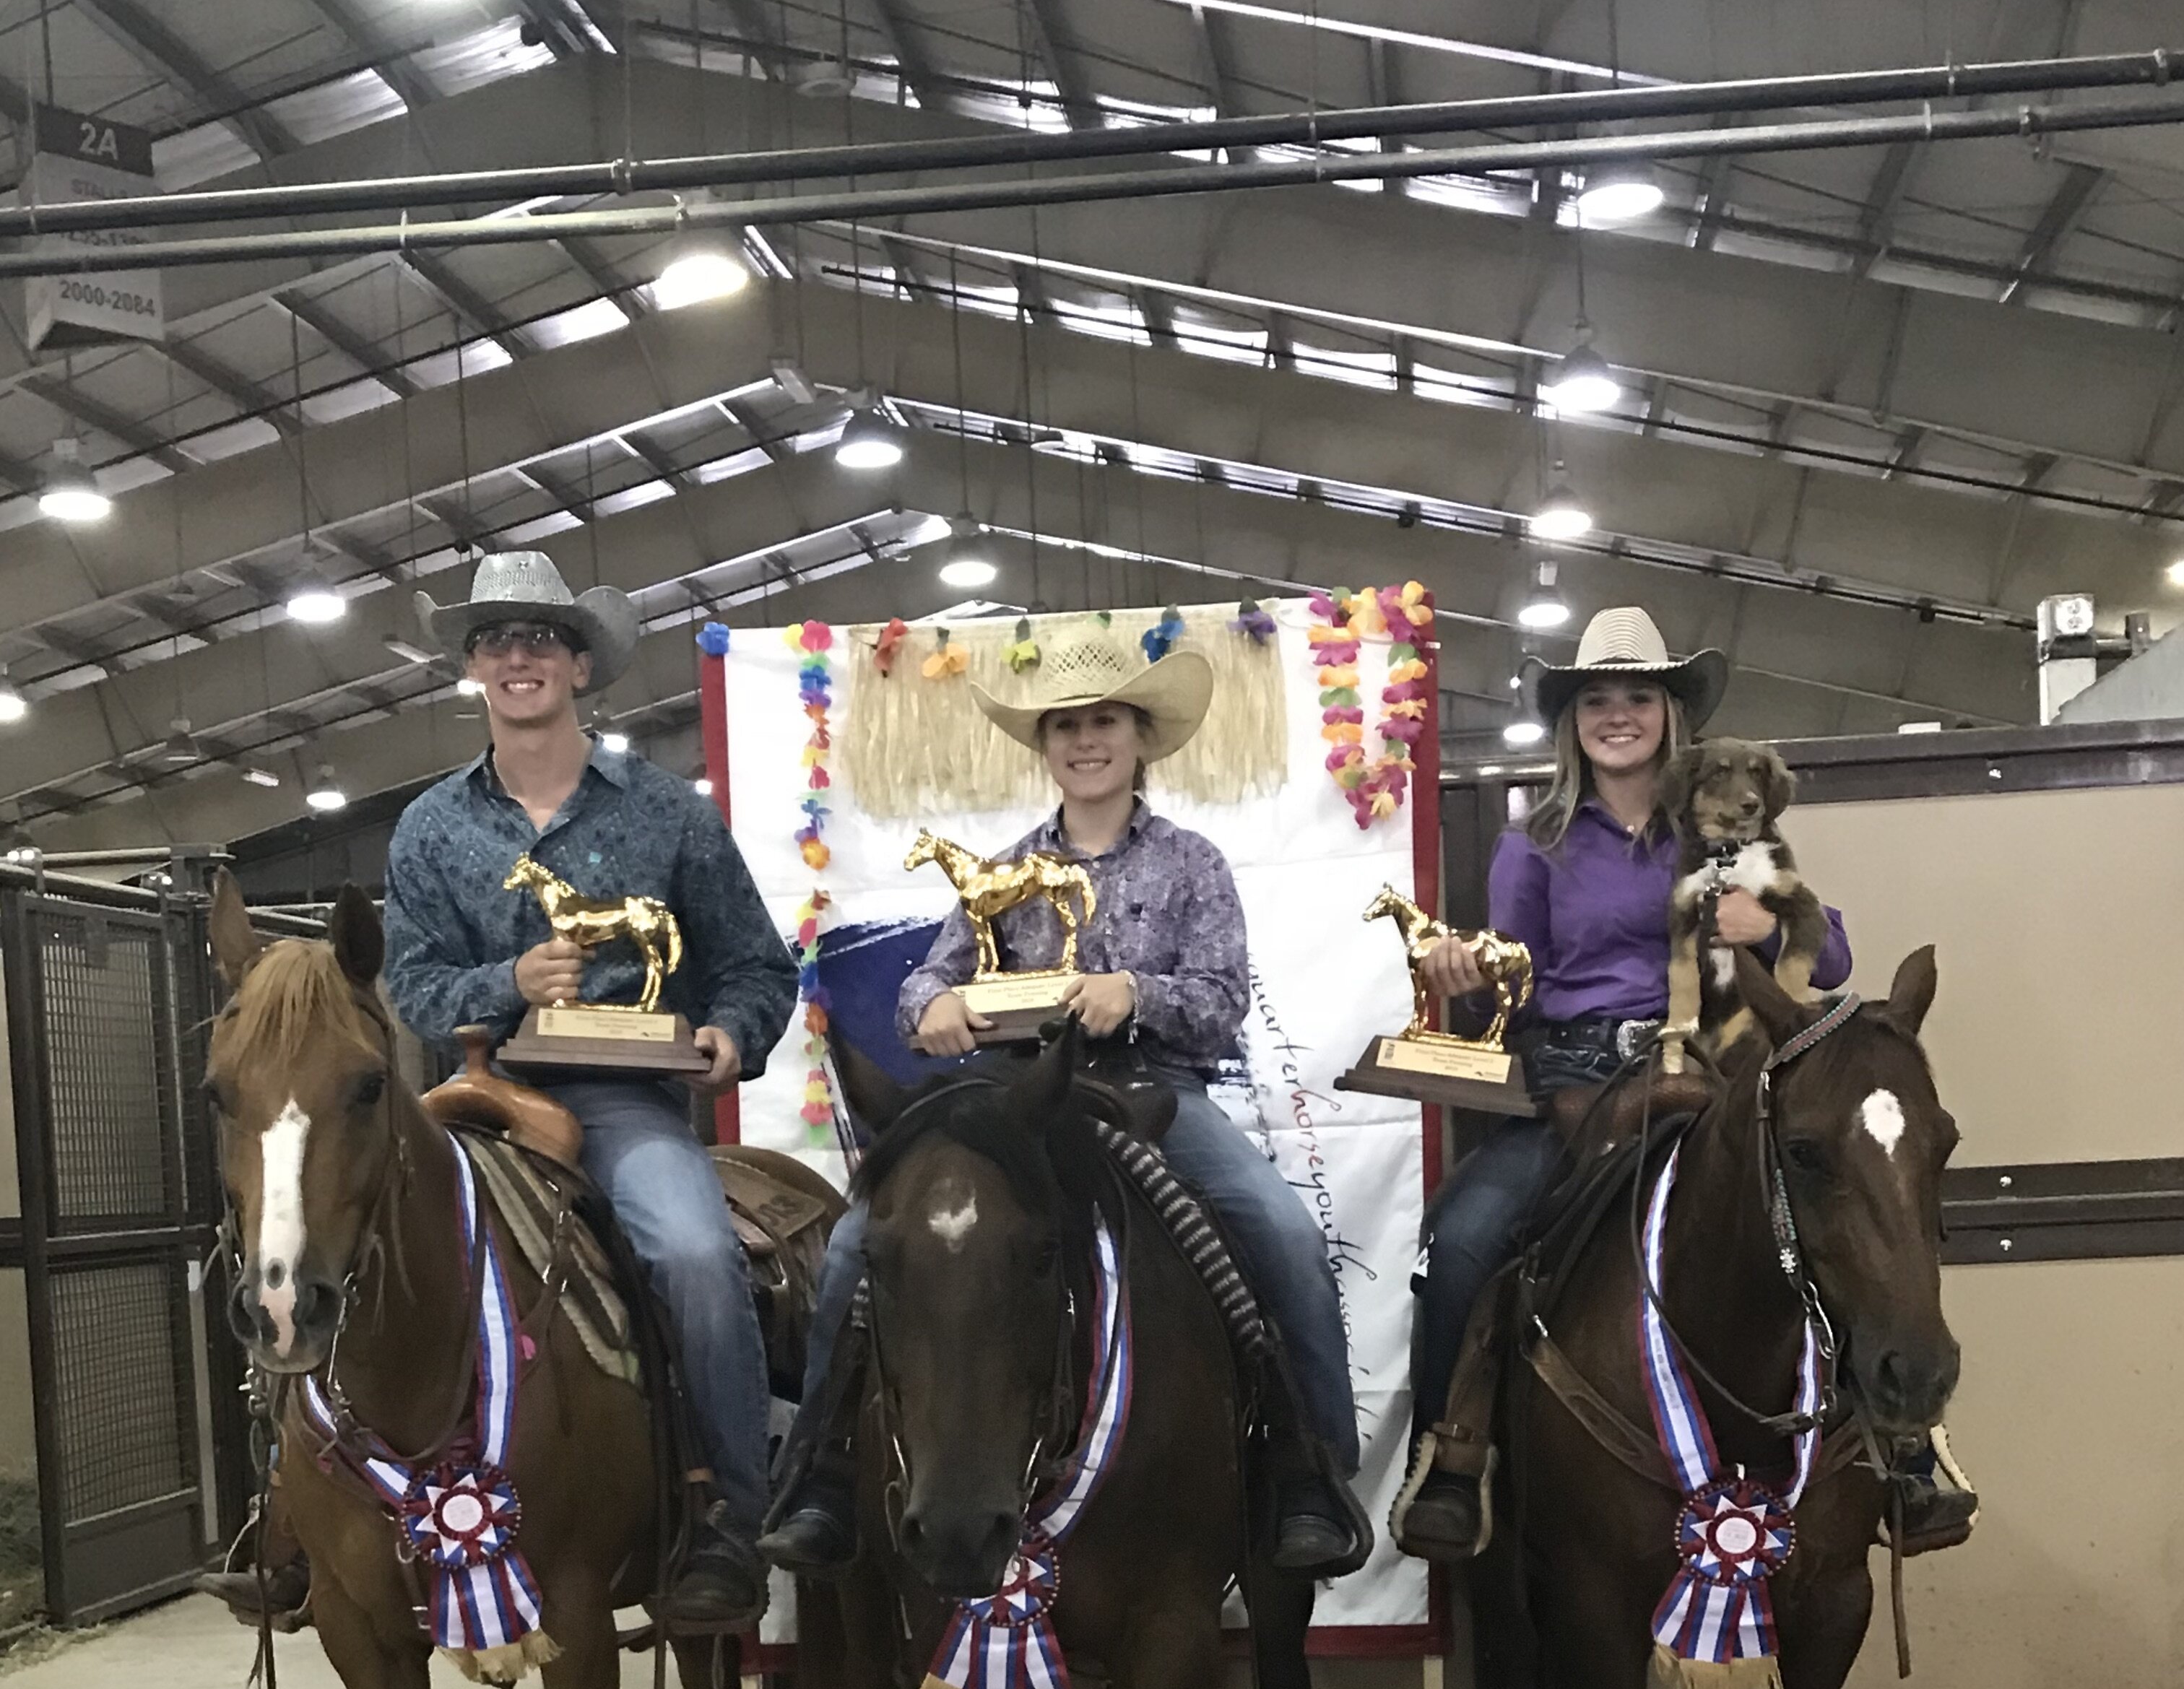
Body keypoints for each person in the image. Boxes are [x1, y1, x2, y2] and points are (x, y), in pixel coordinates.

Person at [762, 622, 1364, 1579]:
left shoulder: (1192, 865)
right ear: (1045, 747)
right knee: (853, 1246)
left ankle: (1312, 1468)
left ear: (1139, 738)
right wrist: (941, 1005)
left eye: (1105, 722)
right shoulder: (1000, 871)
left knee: (1279, 1231)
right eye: (1066, 726)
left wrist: (1139, 994)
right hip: (1013, 1100)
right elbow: (926, 986)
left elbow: (1220, 1003)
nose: (1086, 741)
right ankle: (824, 1472)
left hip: (1153, 1091)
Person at [1395, 603, 1973, 1565]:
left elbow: (1830, 954)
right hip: (1581, 1079)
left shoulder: (1723, 818)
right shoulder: (1532, 842)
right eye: (1596, 701)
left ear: (1670, 714)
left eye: (1636, 697)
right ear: (1571, 720)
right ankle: (1452, 1457)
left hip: (1718, 1069)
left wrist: (1764, 926)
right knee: (1459, 1240)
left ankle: (1906, 1450)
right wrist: (1463, 971)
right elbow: (1518, 980)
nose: (1616, 715)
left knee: (1841, 1200)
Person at [381, 550, 797, 1628]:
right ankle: (307, 1523)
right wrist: (505, 982)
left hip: (621, 1100)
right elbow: (416, 985)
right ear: (473, 668)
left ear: (576, 664)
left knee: (698, 1254)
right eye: (494, 641)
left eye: (539, 639)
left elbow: (755, 964)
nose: (517, 657)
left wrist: (728, 1035)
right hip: (475, 1098)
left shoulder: (666, 815)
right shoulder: (429, 827)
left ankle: (730, 1526)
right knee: (334, 1247)